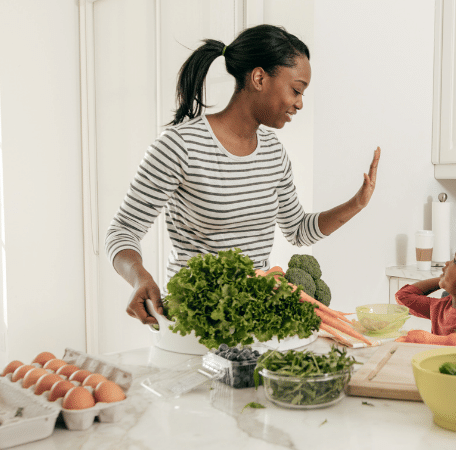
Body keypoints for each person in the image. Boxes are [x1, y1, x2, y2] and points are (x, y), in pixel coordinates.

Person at [105, 24, 380, 325]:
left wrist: (357, 203)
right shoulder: (180, 145)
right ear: (259, 78)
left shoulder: (273, 152)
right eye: (296, 90)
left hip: (254, 321)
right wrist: (139, 277)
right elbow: (122, 231)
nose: (300, 103)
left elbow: (299, 230)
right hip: (195, 321)